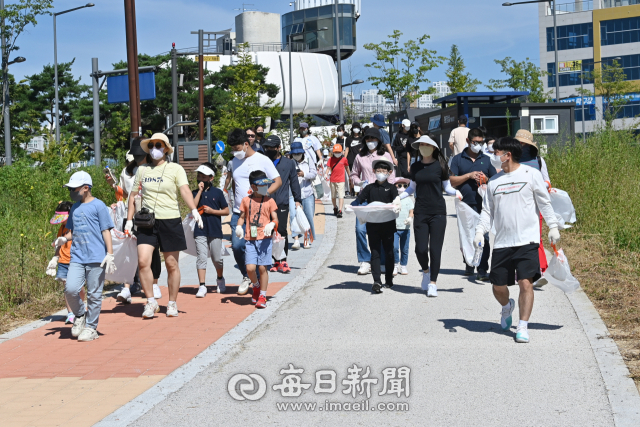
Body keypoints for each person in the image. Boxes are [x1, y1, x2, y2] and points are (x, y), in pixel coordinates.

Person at [474, 137, 560, 344]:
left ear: (507, 155)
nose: (493, 156)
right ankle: (506, 307)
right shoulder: (494, 181)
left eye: (496, 152)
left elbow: (544, 202)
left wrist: (553, 226)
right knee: (498, 286)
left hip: (527, 240)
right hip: (503, 241)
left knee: (525, 283)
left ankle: (522, 325)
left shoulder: (532, 174)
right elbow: (487, 212)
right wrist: (479, 232)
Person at [125, 133, 204, 319]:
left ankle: (172, 302)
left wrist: (194, 210)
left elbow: (184, 190)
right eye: (151, 145)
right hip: (147, 221)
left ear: (166, 148)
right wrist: (129, 220)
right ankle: (151, 302)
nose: (154, 149)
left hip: (170, 220)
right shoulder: (142, 170)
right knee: (143, 261)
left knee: (171, 264)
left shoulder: (176, 169)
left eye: (158, 145)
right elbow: (133, 195)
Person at [62, 171, 115, 342]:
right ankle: (79, 315)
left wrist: (110, 254)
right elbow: (72, 232)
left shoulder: (98, 206)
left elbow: (105, 230)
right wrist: (63, 238)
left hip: (96, 258)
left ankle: (91, 327)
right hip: (77, 257)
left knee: (94, 294)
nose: (71, 191)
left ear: (85, 188)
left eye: (73, 188)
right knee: (70, 288)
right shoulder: (75, 208)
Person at [227, 129, 282, 294]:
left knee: (258, 248)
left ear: (246, 144)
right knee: (237, 247)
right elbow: (236, 184)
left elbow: (277, 181)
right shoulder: (234, 162)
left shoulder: (262, 159)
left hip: (258, 214)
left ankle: (258, 281)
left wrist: (264, 196)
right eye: (232, 149)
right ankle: (247, 276)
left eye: (237, 148)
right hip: (239, 213)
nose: (235, 152)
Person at [401, 135, 456, 297]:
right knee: (420, 249)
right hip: (420, 211)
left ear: (433, 147)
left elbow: (448, 188)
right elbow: (411, 188)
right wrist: (399, 197)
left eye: (427, 144)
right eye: (421, 145)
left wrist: (458, 193)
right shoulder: (416, 166)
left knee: (436, 250)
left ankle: (433, 282)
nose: (424, 147)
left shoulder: (441, 165)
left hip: (438, 212)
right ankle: (425, 271)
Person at [113, 138, 163, 304]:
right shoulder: (127, 172)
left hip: (150, 214)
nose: (138, 157)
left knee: (152, 249)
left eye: (140, 154)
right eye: (135, 154)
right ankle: (127, 286)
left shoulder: (154, 168)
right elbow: (126, 194)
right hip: (131, 215)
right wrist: (116, 191)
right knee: (129, 249)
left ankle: (154, 282)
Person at [449, 128, 497, 281]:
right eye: (475, 142)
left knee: (484, 237)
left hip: (483, 204)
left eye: (481, 142)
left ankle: (482, 268)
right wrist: (469, 176)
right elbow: (452, 181)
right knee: (467, 235)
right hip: (465, 204)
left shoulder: (487, 159)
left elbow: (495, 180)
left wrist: (486, 179)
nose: (478, 145)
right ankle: (469, 263)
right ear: (468, 141)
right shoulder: (457, 159)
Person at [350, 127, 396, 275]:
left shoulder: (386, 156)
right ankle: (364, 260)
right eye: (368, 139)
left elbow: (392, 176)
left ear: (379, 141)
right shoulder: (359, 157)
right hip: (365, 197)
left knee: (382, 230)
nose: (371, 142)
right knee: (360, 229)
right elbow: (353, 174)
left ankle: (382, 261)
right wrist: (359, 183)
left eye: (373, 139)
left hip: (382, 197)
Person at [351, 158, 401, 293]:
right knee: (375, 253)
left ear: (389, 173)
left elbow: (396, 201)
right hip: (373, 225)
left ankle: (389, 279)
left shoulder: (391, 188)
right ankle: (377, 281)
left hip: (388, 225)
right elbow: (359, 200)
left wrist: (397, 205)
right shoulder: (369, 188)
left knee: (389, 252)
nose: (381, 173)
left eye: (384, 171)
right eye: (378, 170)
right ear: (373, 172)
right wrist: (351, 206)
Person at [235, 171, 279, 309]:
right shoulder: (246, 200)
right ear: (253, 186)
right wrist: (238, 227)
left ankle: (262, 295)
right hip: (250, 239)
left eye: (266, 185)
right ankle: (256, 285)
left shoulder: (270, 201)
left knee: (262, 268)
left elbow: (275, 218)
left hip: (265, 239)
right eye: (261, 185)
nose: (265, 188)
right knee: (250, 268)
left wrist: (272, 224)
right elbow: (242, 216)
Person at [514, 129, 552, 286]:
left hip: (535, 205)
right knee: (517, 238)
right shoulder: (512, 159)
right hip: (516, 205)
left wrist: (538, 185)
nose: (520, 146)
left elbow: (548, 182)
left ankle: (540, 271)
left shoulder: (539, 161)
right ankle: (520, 272)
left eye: (522, 143)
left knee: (536, 238)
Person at [262, 135, 301, 273]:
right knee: (268, 231)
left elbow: (294, 182)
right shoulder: (263, 162)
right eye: (267, 147)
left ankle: (283, 261)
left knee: (282, 230)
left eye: (272, 147)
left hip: (281, 202)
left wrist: (298, 200)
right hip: (264, 202)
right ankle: (274, 260)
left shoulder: (289, 163)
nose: (269, 150)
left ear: (279, 148)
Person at [193, 162, 229, 298]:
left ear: (211, 178)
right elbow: (193, 206)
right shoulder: (195, 192)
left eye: (204, 176)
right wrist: (200, 191)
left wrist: (212, 211)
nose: (200, 179)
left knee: (217, 258)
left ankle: (220, 278)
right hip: (200, 229)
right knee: (201, 257)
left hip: (215, 230)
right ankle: (202, 285)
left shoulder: (218, 193)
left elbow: (226, 211)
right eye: (199, 176)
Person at [46, 201, 86, 324]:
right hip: (63, 261)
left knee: (79, 288)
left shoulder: (76, 226)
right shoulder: (62, 228)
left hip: (75, 260)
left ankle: (80, 306)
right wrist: (55, 259)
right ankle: (70, 313)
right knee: (67, 289)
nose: (62, 221)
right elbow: (59, 244)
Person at [289, 141, 317, 249]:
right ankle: (296, 239)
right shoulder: (290, 162)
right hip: (293, 194)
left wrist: (304, 174)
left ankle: (306, 239)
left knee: (308, 216)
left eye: (298, 153)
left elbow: (314, 174)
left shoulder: (309, 161)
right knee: (293, 216)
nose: (296, 155)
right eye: (294, 154)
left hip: (307, 193)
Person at [392, 178, 414, 276]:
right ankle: (395, 264)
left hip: (405, 228)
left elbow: (411, 211)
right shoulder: (392, 198)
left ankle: (403, 265)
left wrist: (410, 218)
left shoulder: (408, 199)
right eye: (399, 185)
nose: (402, 188)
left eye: (405, 186)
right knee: (395, 247)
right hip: (394, 228)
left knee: (404, 248)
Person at [327, 144, 350, 217]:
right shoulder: (330, 159)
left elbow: (347, 168)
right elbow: (328, 168)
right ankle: (335, 207)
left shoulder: (344, 159)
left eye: (338, 152)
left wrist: (350, 176)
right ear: (333, 152)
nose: (337, 154)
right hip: (332, 180)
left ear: (342, 152)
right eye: (335, 152)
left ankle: (340, 210)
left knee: (341, 195)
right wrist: (326, 174)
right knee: (333, 196)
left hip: (341, 180)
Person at [345, 123, 363, 195]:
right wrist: (344, 159)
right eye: (354, 127)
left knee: (360, 175)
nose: (356, 129)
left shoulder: (362, 138)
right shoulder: (349, 138)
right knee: (352, 175)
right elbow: (347, 149)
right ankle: (352, 190)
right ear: (352, 129)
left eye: (357, 127)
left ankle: (359, 190)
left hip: (360, 159)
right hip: (351, 159)